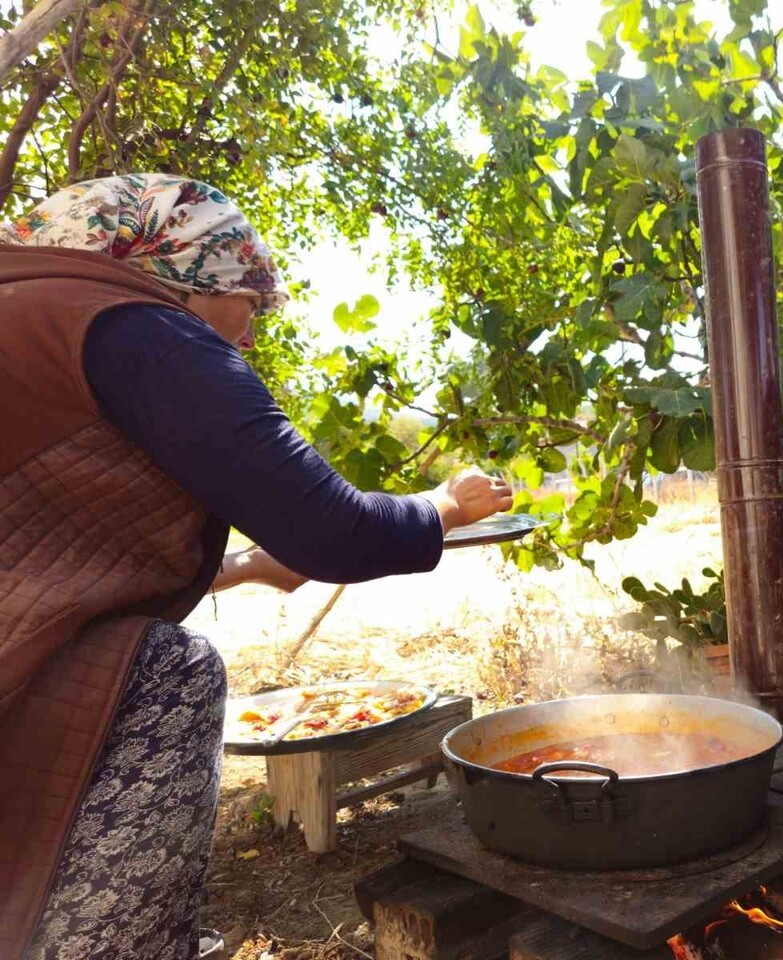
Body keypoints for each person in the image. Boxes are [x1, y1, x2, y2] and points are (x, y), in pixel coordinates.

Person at [0, 174, 513, 959]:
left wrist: (241, 568)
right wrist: (444, 504)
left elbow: (45, 564)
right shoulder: (129, 321)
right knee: (172, 669)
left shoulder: (27, 316)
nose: (245, 335)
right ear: (187, 270)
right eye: (251, 299)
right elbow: (332, 531)